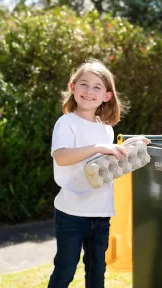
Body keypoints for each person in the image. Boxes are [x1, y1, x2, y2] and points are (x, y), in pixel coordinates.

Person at [48, 59, 150, 288]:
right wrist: (97, 147)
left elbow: (106, 165)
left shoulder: (106, 129)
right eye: (84, 84)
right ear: (72, 87)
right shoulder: (66, 123)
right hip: (71, 213)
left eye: (97, 87)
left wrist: (131, 146)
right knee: (64, 271)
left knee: (96, 273)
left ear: (107, 96)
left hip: (101, 213)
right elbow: (62, 156)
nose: (89, 91)